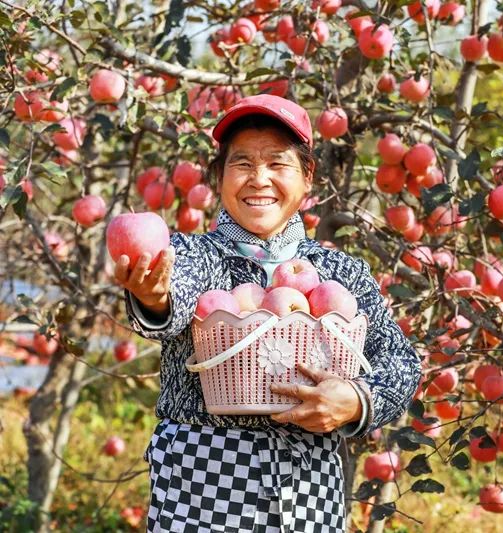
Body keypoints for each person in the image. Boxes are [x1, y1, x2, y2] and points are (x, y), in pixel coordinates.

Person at [113, 94, 421, 532]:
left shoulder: (340, 272)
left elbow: (401, 363)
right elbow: (172, 298)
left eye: (278, 163)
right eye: (242, 164)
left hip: (310, 496)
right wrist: (153, 295)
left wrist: (355, 400)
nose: (259, 179)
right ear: (219, 176)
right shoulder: (192, 255)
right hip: (203, 496)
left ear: (307, 176)